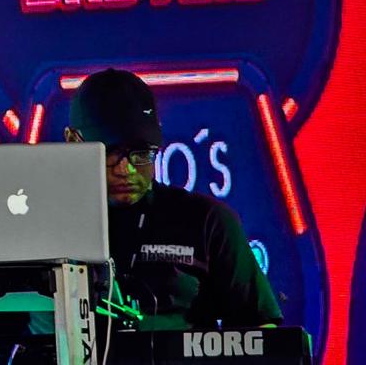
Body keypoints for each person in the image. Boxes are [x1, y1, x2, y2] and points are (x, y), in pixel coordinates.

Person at [63, 68, 282, 330]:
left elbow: (261, 330)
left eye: (141, 153)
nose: (126, 169)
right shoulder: (43, 227)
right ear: (73, 142)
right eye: (110, 152)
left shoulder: (206, 222)